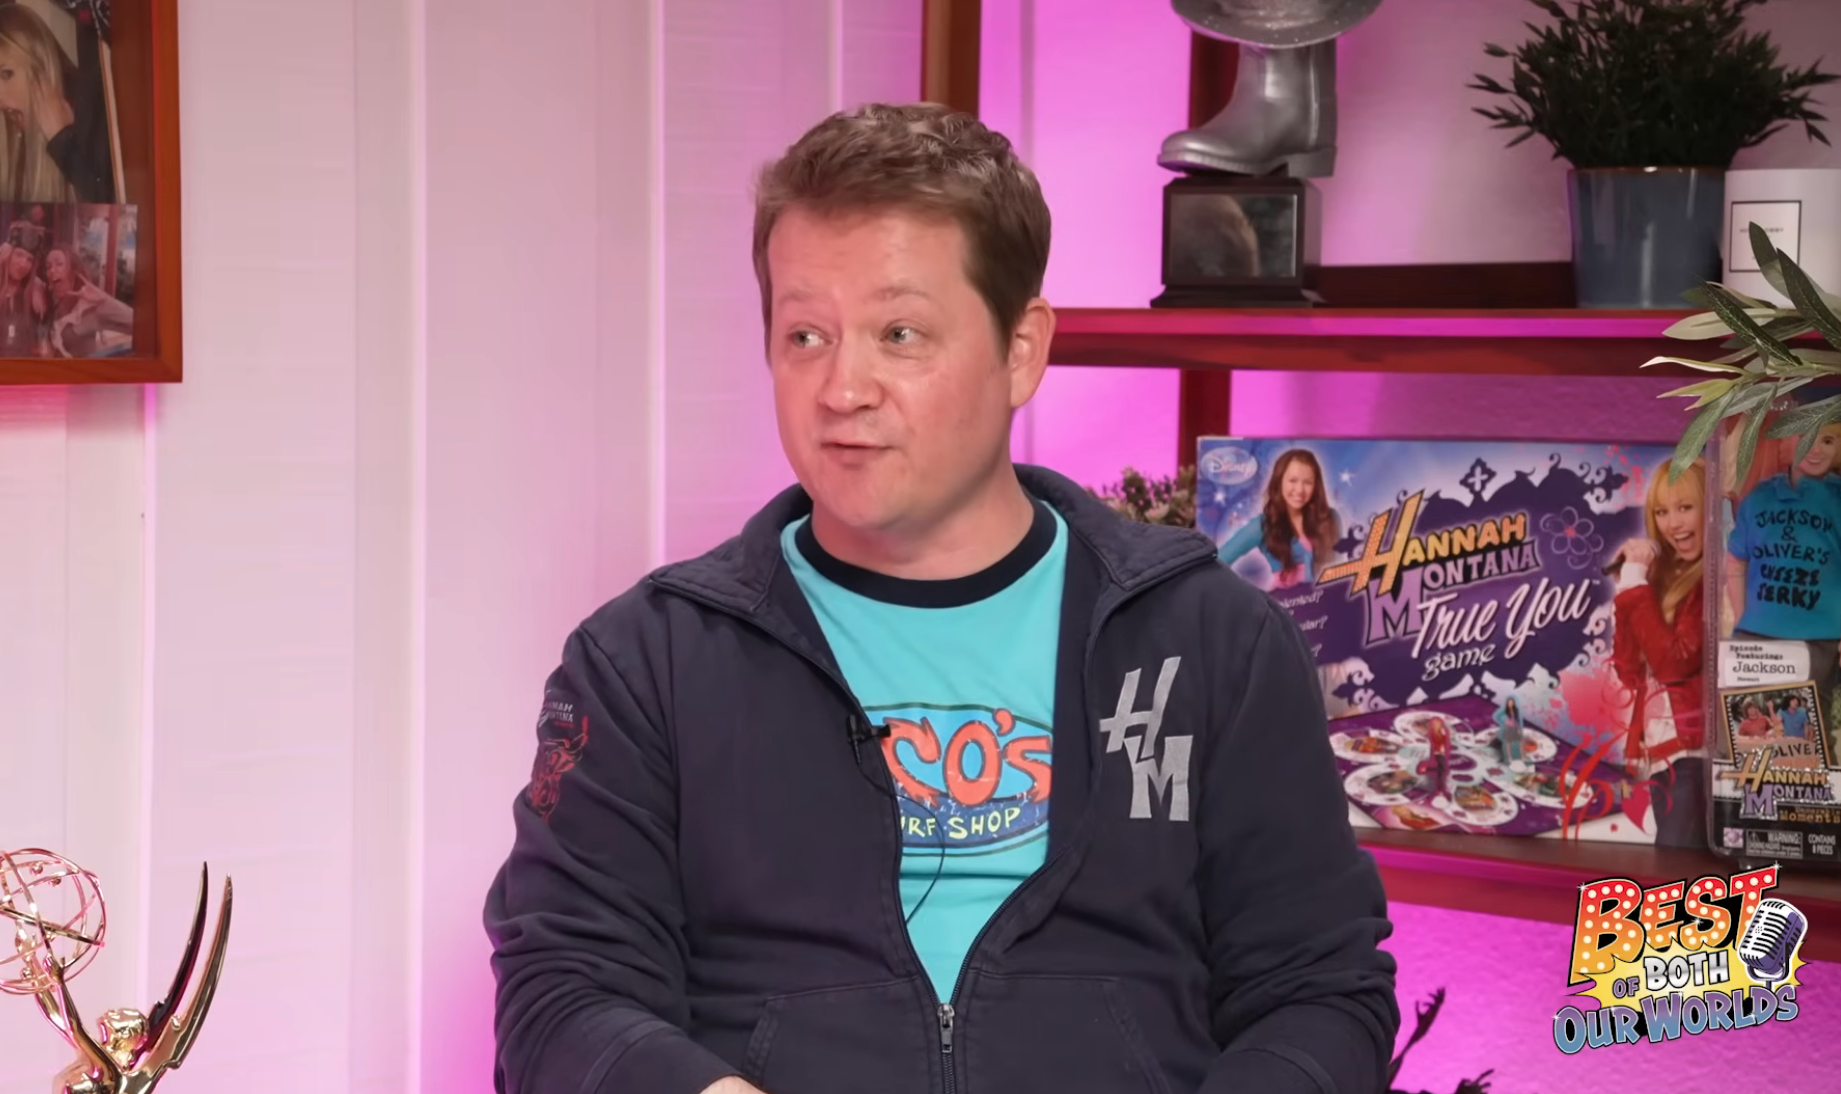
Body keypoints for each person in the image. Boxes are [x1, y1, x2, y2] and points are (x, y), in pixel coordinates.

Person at [483, 103, 1397, 1094]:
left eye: (899, 332)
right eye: (804, 334)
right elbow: (561, 993)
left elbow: (1319, 992)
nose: (842, 387)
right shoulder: (645, 662)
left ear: (1021, 349)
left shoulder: (1211, 640)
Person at [1610, 459, 1709, 847]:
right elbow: (1629, 671)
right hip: (1661, 754)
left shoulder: (1710, 580)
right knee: (1671, 862)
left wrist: (1636, 591)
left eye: (1685, 507)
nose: (1673, 524)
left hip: (1694, 754)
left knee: (1679, 866)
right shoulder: (1664, 581)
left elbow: (1674, 665)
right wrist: (1632, 585)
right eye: (1661, 512)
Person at [1215, 447, 1340, 588]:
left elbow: (1342, 564)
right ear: (1279, 481)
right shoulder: (1263, 525)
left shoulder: (1330, 519)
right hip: (1284, 601)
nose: (1300, 490)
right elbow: (1219, 560)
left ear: (1316, 485)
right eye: (1292, 480)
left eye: (1308, 482)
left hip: (1327, 600)